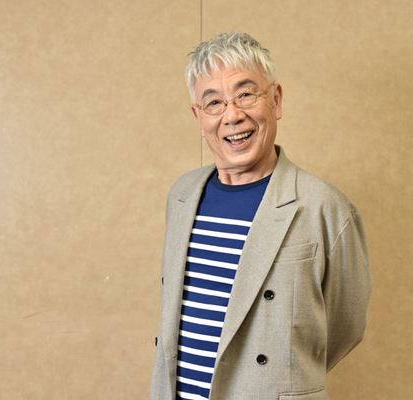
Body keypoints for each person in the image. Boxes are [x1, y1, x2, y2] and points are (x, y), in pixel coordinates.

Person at [149, 32, 371, 400]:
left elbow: (346, 325)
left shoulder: (324, 207)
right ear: (198, 116)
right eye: (214, 103)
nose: (233, 116)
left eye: (246, 95)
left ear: (276, 100)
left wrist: (282, 378)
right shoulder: (182, 196)